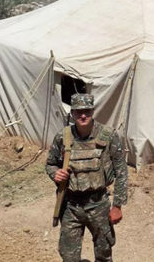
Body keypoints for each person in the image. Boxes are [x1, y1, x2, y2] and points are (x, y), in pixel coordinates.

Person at [46, 93, 128, 262]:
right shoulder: (63, 137)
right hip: (71, 206)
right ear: (72, 113)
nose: (83, 115)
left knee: (104, 253)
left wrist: (117, 205)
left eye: (87, 111)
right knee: (69, 256)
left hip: (99, 204)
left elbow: (121, 171)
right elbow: (50, 163)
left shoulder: (109, 135)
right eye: (78, 111)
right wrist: (55, 173)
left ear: (93, 111)